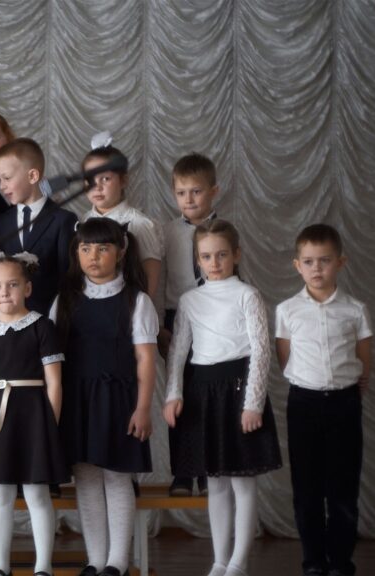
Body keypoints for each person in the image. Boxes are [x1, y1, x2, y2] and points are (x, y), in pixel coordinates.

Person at [164, 219, 282, 576]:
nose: (213, 263)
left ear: (236, 255)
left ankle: (238, 562)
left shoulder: (248, 295)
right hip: (203, 393)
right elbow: (178, 352)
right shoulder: (189, 300)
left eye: (221, 255)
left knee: (242, 482)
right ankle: (219, 560)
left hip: (238, 390)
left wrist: (253, 403)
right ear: (197, 259)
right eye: (206, 256)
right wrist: (173, 394)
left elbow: (261, 350)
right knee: (214, 482)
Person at [52, 218, 157, 576]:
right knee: (86, 478)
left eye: (102, 248)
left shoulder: (136, 301)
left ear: (121, 251)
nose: (93, 256)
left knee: (116, 476)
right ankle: (95, 560)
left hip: (118, 401)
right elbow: (52, 361)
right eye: (85, 249)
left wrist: (143, 408)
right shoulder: (64, 300)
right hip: (77, 401)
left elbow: (145, 360)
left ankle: (117, 561)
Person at [276, 224, 372, 576]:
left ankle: (340, 562)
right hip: (304, 404)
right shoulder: (287, 310)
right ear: (297, 265)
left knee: (343, 488)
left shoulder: (356, 310)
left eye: (325, 260)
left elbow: (364, 360)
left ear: (340, 262)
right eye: (309, 261)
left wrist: (346, 390)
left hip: (344, 404)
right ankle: (313, 562)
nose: (316, 268)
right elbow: (285, 359)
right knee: (307, 489)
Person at [0, 253, 66, 576]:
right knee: (0, 492)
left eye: (12, 285)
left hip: (33, 417)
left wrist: (50, 426)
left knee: (36, 492)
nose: (5, 292)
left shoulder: (42, 326)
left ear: (27, 288)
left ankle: (43, 565)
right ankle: (1, 566)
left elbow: (54, 382)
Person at [160, 152, 220, 497]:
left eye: (196, 191)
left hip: (215, 320)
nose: (189, 200)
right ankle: (183, 472)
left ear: (213, 191)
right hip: (177, 318)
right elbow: (158, 280)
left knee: (210, 395)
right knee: (178, 392)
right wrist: (159, 326)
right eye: (182, 193)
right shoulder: (167, 232)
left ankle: (210, 470)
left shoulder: (225, 232)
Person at [0, 138, 77, 316]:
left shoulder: (63, 220)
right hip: (9, 319)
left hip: (49, 317)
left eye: (7, 178)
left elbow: (67, 277)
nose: (2, 186)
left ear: (32, 176)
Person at [81, 133, 163, 311]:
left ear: (123, 180)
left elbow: (150, 279)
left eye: (105, 178)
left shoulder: (140, 224)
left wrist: (134, 313)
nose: (97, 186)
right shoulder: (83, 222)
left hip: (128, 310)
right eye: (90, 179)